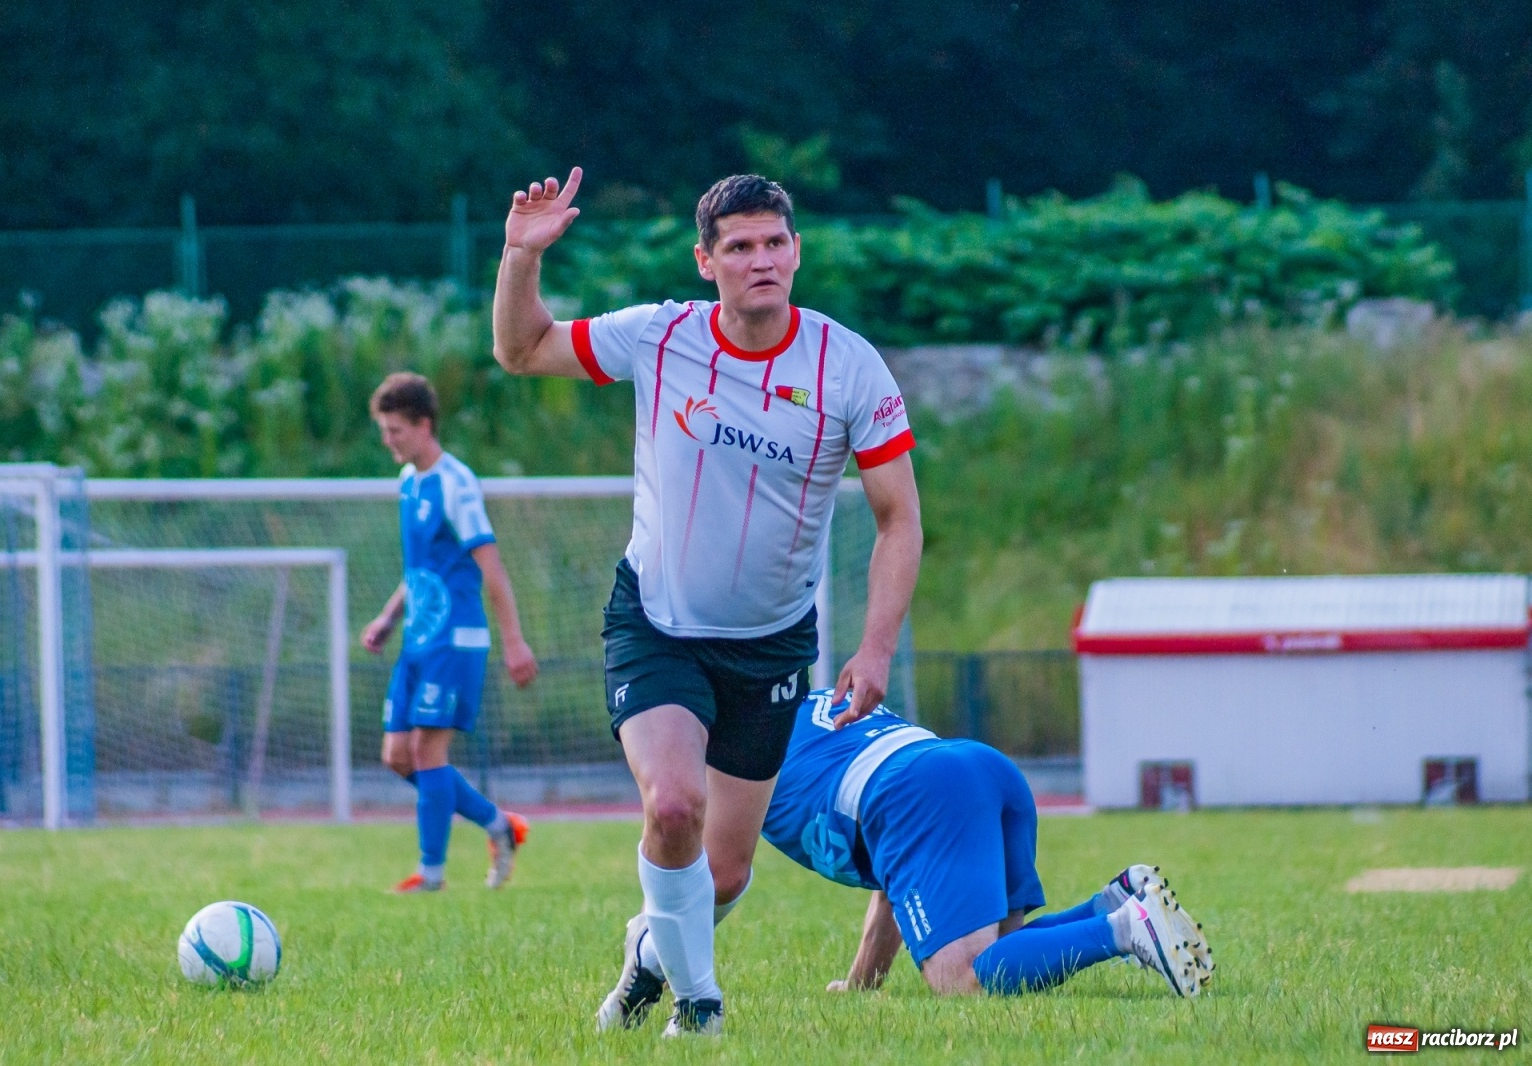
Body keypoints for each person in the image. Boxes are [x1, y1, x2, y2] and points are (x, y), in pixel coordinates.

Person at [493, 170, 922, 1035]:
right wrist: (518, 258)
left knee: (721, 875)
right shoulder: (660, 337)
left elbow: (899, 521)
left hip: (769, 647)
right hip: (656, 625)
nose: (760, 260)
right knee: (674, 805)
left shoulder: (849, 367)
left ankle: (650, 958)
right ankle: (701, 1006)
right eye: (739, 247)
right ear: (706, 261)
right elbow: (521, 349)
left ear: (796, 252)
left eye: (774, 243)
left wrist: (875, 647)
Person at [599, 690, 1212, 1016]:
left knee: (962, 979)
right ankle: (1118, 898)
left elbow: (713, 876)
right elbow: (896, 870)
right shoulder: (794, 703)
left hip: (920, 794)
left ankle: (1124, 929)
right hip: (977, 765)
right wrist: (864, 984)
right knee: (1001, 963)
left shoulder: (734, 753)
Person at [361, 372, 539, 893]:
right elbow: (421, 568)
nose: (388, 440)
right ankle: (499, 825)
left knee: (427, 754)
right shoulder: (409, 482)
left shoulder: (456, 484)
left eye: (395, 430)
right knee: (397, 756)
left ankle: (431, 877)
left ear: (424, 425)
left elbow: (491, 566)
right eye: (384, 430)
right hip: (418, 638)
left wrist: (514, 641)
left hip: (456, 640)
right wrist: (388, 617)